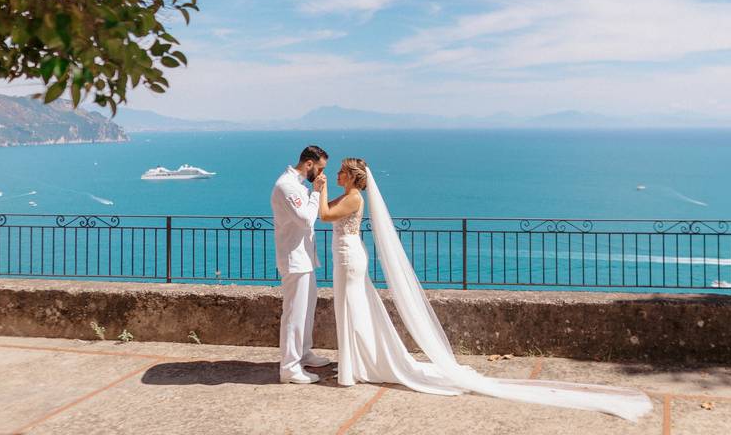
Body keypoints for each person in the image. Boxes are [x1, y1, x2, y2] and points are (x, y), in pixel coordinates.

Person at [314, 158, 653, 421]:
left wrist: (320, 187)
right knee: (354, 310)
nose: (339, 174)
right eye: (339, 171)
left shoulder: (353, 199)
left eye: (343, 171)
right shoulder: (353, 195)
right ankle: (357, 363)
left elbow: (325, 216)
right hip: (347, 258)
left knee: (353, 309)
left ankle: (357, 365)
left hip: (349, 260)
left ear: (353, 177)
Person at [270, 145, 331, 384]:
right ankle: (290, 367)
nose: (322, 173)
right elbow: (306, 219)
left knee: (306, 311)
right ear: (309, 164)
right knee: (294, 314)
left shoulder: (297, 185)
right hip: (294, 260)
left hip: (304, 258)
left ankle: (303, 353)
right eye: (321, 168)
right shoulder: (287, 185)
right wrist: (316, 193)